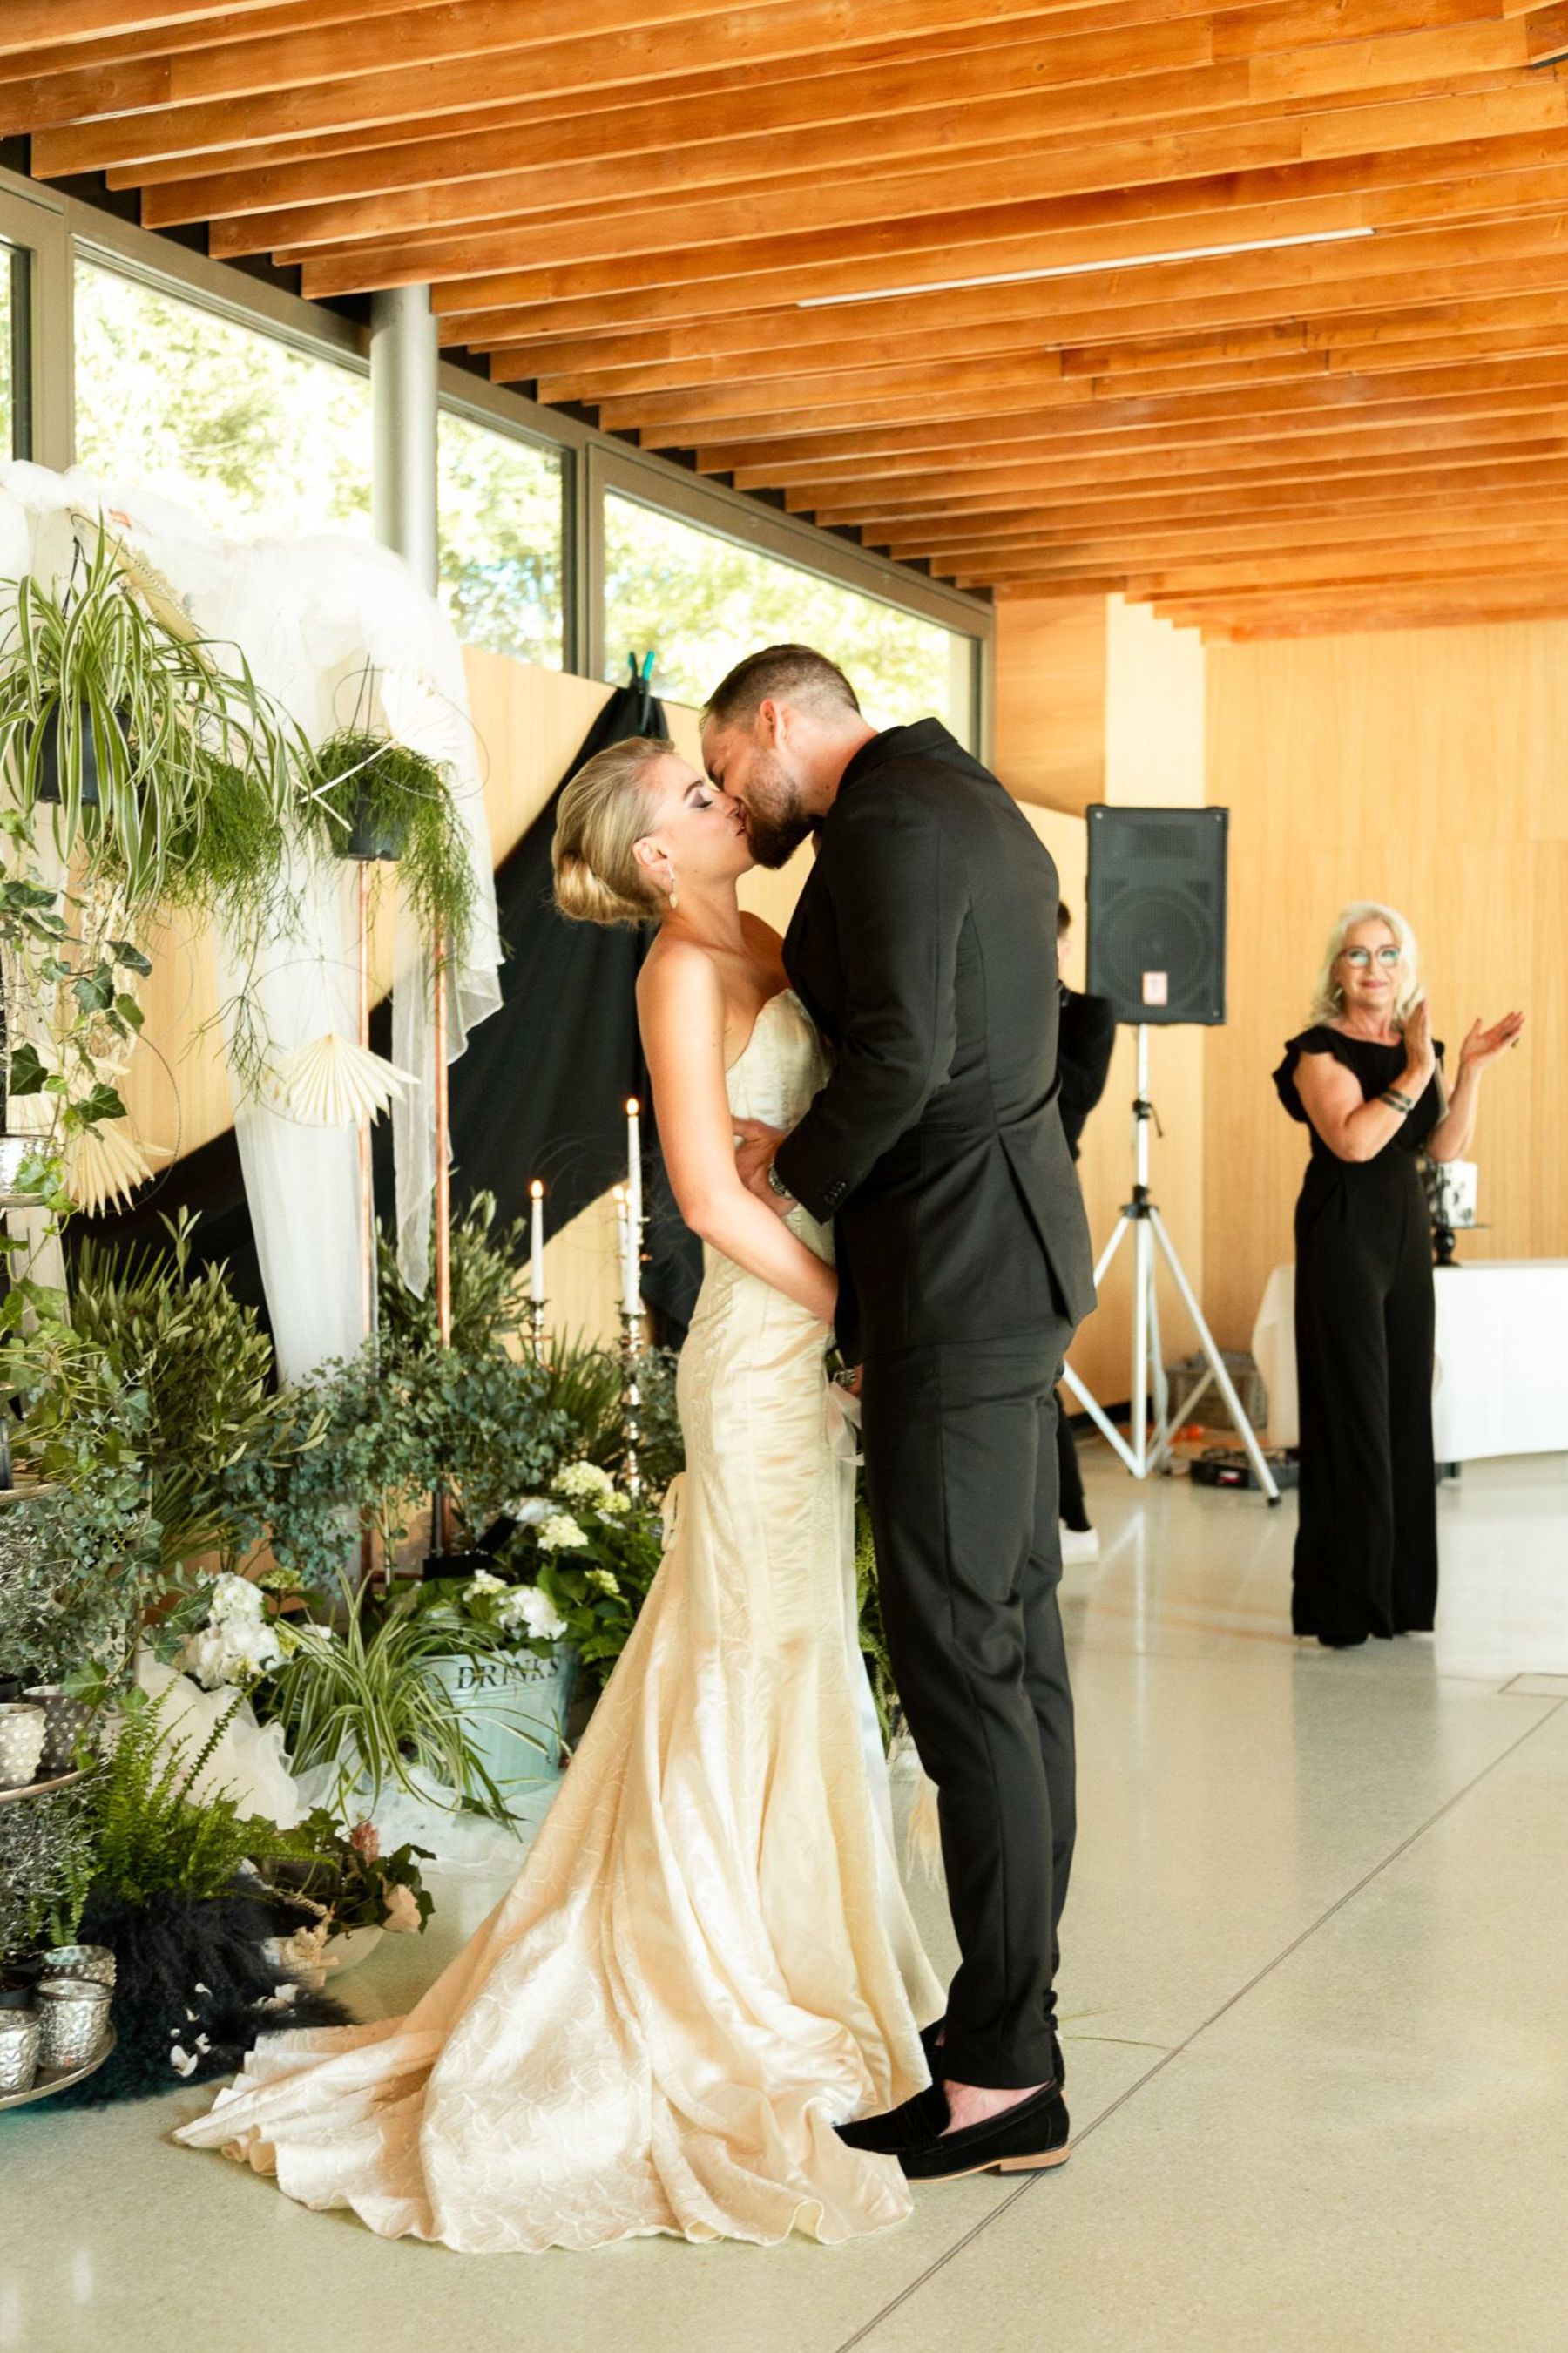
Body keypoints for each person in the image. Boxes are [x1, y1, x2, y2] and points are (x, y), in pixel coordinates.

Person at [176, 730, 945, 2252]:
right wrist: (849, 1314)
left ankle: (804, 1953)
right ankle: (713, 1980)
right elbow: (707, 1194)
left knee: (796, 1655)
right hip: (760, 1352)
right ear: (657, 855)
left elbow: (817, 1124)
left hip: (817, 1344)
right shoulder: (677, 970)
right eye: (697, 796)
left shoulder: (772, 939)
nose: (726, 800)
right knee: (745, 1655)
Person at [706, 645, 1095, 2185]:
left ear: (778, 719)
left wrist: (786, 1170)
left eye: (728, 772)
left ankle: (1006, 2073)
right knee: (1015, 1654)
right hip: (1005, 1262)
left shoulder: (888, 819)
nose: (735, 802)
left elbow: (907, 1056)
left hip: (955, 1278)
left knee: (963, 1669)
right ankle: (1011, 2029)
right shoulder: (973, 798)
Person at [1274, 903, 1523, 1649]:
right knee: (1354, 1413)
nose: (1374, 968)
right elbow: (1355, 1142)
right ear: (1336, 969)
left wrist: (1467, 1069)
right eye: (1357, 954)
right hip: (1344, 1231)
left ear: (1403, 965)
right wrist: (1418, 1069)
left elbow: (1441, 1148)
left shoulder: (1422, 1050)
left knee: (1406, 1409)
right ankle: (1346, 1604)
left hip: (1405, 1233)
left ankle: (1403, 1594)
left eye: (1387, 953)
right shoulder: (1317, 1050)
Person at [1053, 901, 1116, 1565]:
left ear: (1065, 947)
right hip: (986, 1181)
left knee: (1046, 1360)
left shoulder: (1091, 1014)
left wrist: (1024, 1013)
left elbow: (1081, 1094)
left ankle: (1074, 1515)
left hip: (1053, 1187)